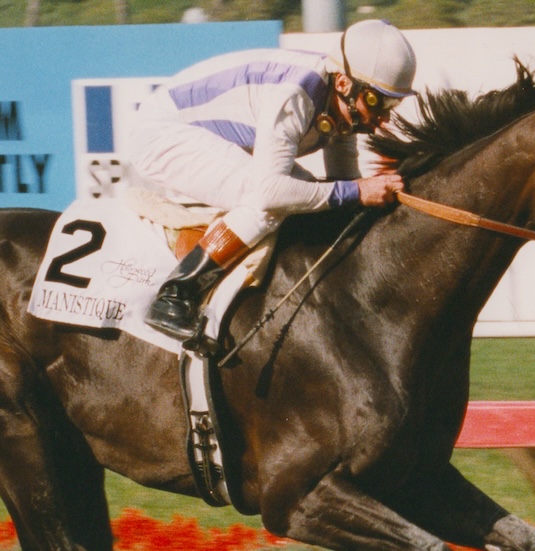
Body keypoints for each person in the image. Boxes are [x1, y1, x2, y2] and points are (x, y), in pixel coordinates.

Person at [127, 19, 418, 343]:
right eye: (378, 102)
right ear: (345, 86)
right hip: (162, 132)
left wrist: (364, 196)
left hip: (198, 131)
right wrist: (358, 192)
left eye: (393, 103)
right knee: (267, 201)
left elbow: (343, 184)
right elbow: (273, 193)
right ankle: (175, 295)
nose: (383, 118)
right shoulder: (295, 93)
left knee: (307, 192)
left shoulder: (341, 109)